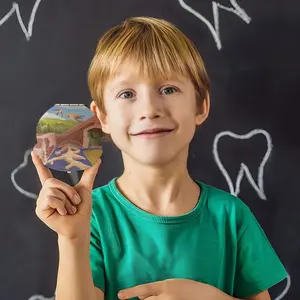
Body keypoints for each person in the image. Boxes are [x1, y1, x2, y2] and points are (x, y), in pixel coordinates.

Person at [32, 16, 288, 300]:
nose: (150, 109)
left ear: (200, 106)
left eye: (168, 90)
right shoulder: (91, 216)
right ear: (102, 117)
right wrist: (72, 239)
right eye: (127, 93)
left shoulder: (231, 216)